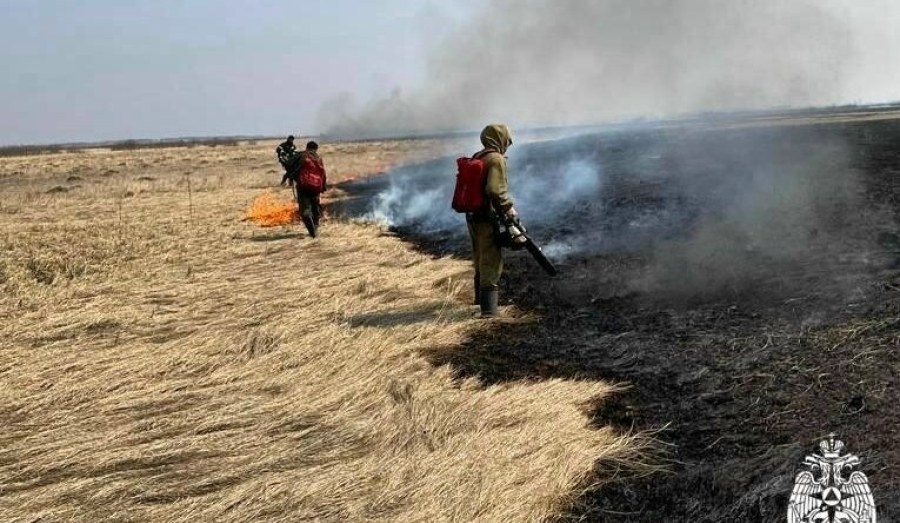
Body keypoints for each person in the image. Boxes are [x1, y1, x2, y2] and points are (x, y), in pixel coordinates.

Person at [467, 124, 517, 318]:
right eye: (507, 140)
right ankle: (489, 312)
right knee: (491, 260)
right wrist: (508, 207)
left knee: (479, 257)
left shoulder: (478, 156)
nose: (508, 144)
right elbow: (495, 190)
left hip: (473, 216)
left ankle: (479, 303)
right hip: (486, 217)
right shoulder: (495, 159)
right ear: (500, 138)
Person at [291, 141, 327, 238]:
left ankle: (312, 233)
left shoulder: (302, 155)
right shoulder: (319, 158)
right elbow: (323, 173)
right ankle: (315, 228)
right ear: (316, 149)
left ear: (307, 147)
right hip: (316, 187)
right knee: (315, 208)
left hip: (303, 187)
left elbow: (291, 167)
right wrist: (323, 186)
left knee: (305, 210)